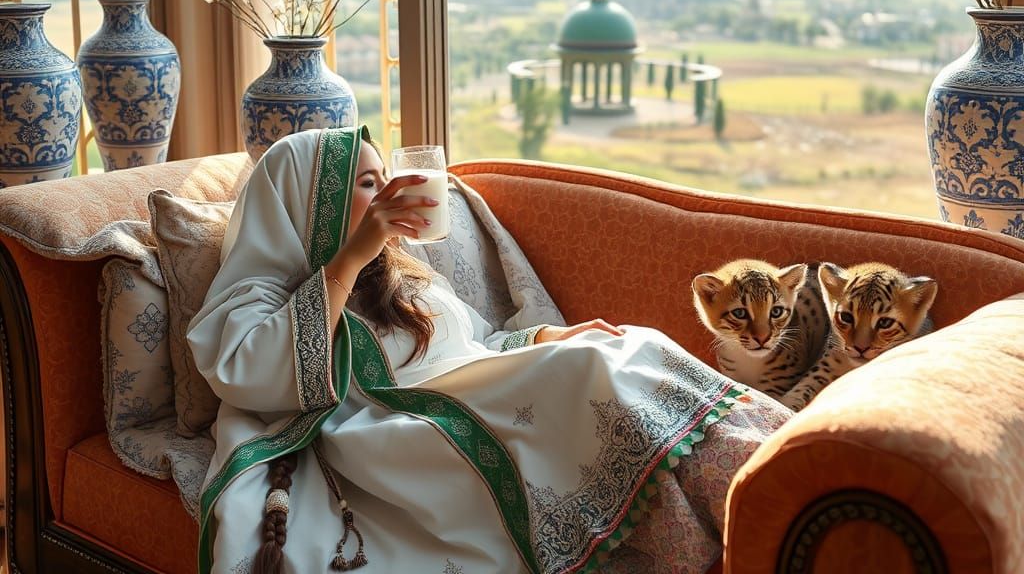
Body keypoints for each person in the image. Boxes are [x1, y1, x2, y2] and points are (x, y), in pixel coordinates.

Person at [189, 126, 791, 574]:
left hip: (480, 385)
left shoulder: (401, 274)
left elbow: (477, 342)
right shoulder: (261, 295)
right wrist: (351, 257)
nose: (388, 193)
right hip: (405, 428)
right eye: (367, 183)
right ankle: (761, 515)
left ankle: (787, 470)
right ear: (311, 201)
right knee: (591, 368)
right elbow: (251, 374)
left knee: (624, 344)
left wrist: (547, 335)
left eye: (385, 177)